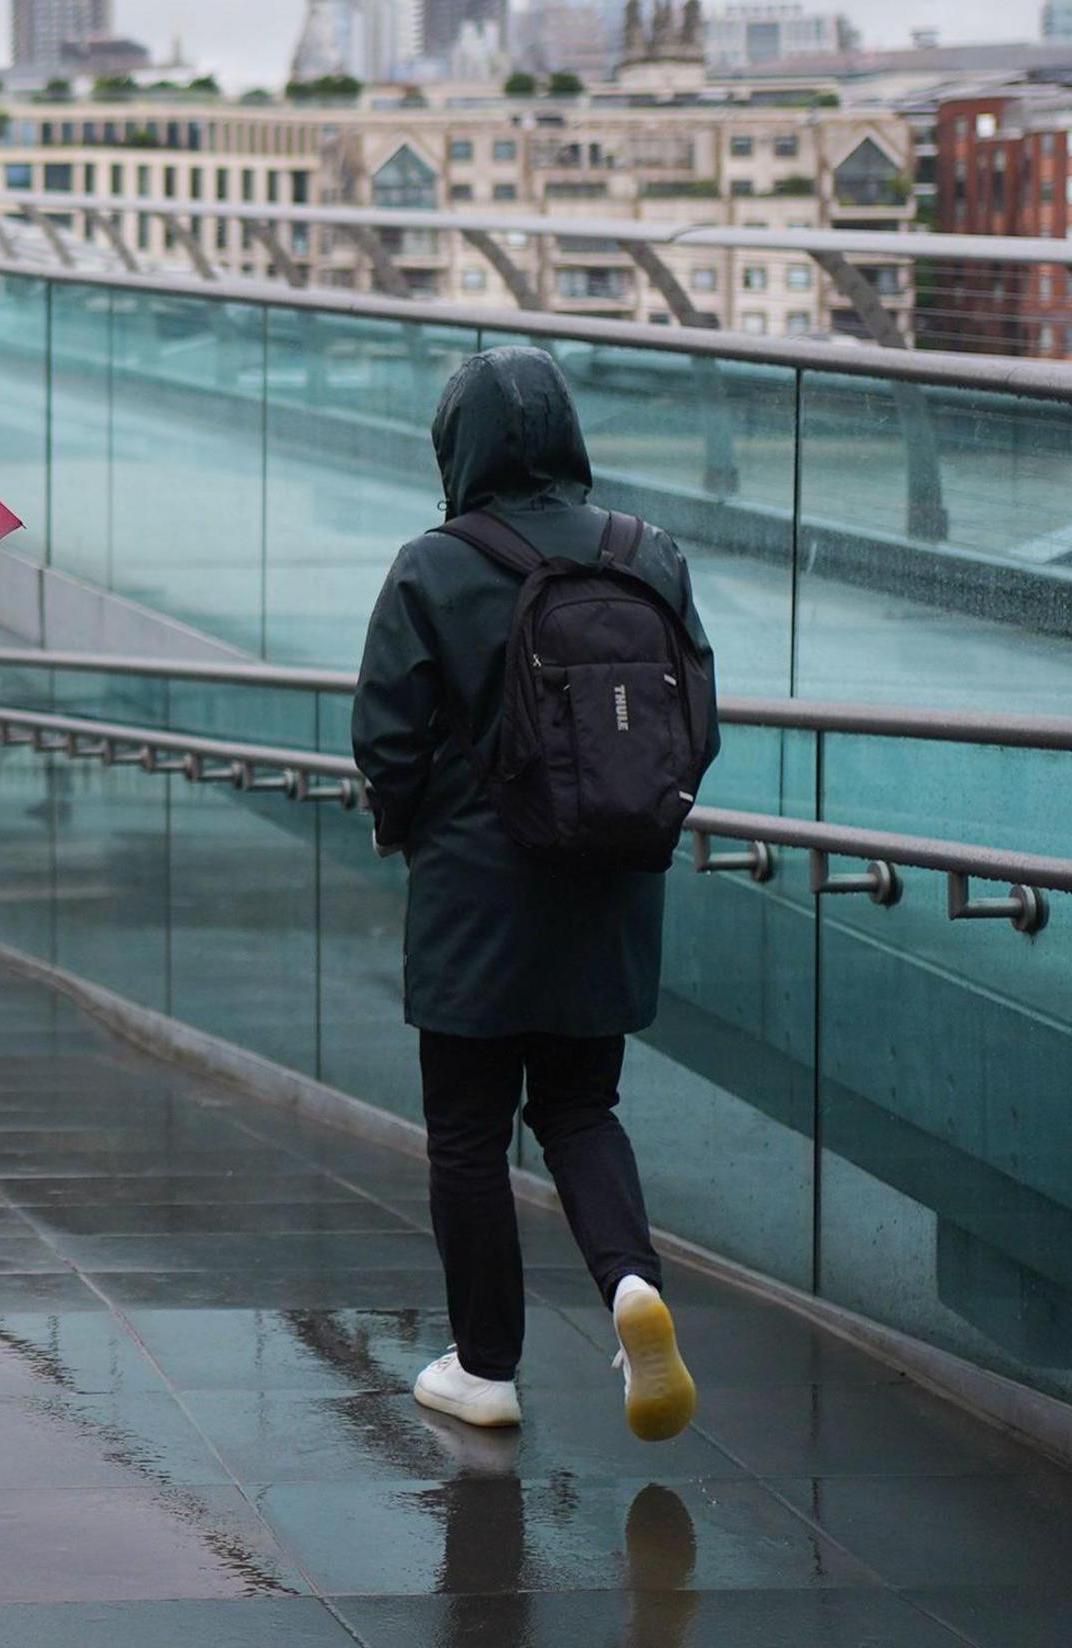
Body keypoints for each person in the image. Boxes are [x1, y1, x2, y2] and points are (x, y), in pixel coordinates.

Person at [351, 345, 709, 1445]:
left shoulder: (432, 566)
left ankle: (487, 1367)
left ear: (459, 446)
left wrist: (408, 830)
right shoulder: (648, 553)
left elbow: (385, 737)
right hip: (607, 887)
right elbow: (694, 719)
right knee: (579, 1106)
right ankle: (631, 1291)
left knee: (467, 1131)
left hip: (471, 893)